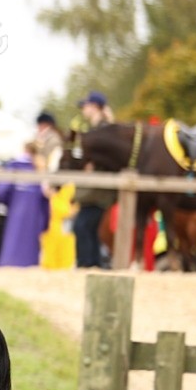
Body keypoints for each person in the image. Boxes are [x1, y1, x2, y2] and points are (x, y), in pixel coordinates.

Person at [71, 90, 115, 268]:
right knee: (87, 228)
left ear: (95, 107)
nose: (83, 109)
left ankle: (88, 264)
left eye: (86, 105)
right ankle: (92, 263)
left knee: (82, 227)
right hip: (92, 191)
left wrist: (93, 165)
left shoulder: (103, 130)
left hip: (97, 191)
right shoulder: (97, 130)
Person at [0, 142, 50, 267]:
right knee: (30, 251)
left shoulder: (14, 166)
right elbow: (46, 196)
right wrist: (46, 221)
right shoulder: (40, 168)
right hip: (35, 215)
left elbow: (1, 191)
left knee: (11, 247)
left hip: (15, 211)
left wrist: (9, 202)